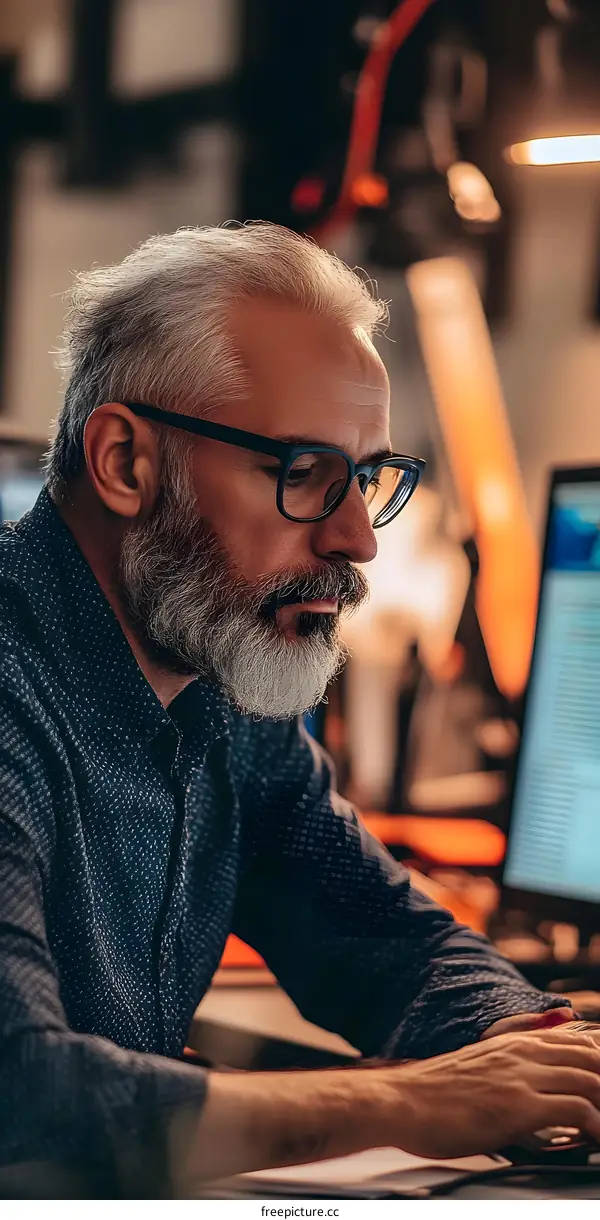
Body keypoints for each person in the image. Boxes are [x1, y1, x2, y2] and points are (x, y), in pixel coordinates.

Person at [1, 222, 599, 1198]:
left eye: (366, 476)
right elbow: (23, 1088)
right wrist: (413, 1099)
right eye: (305, 471)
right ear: (124, 462)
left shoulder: (220, 685)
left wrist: (534, 1049)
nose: (359, 535)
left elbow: (376, 935)